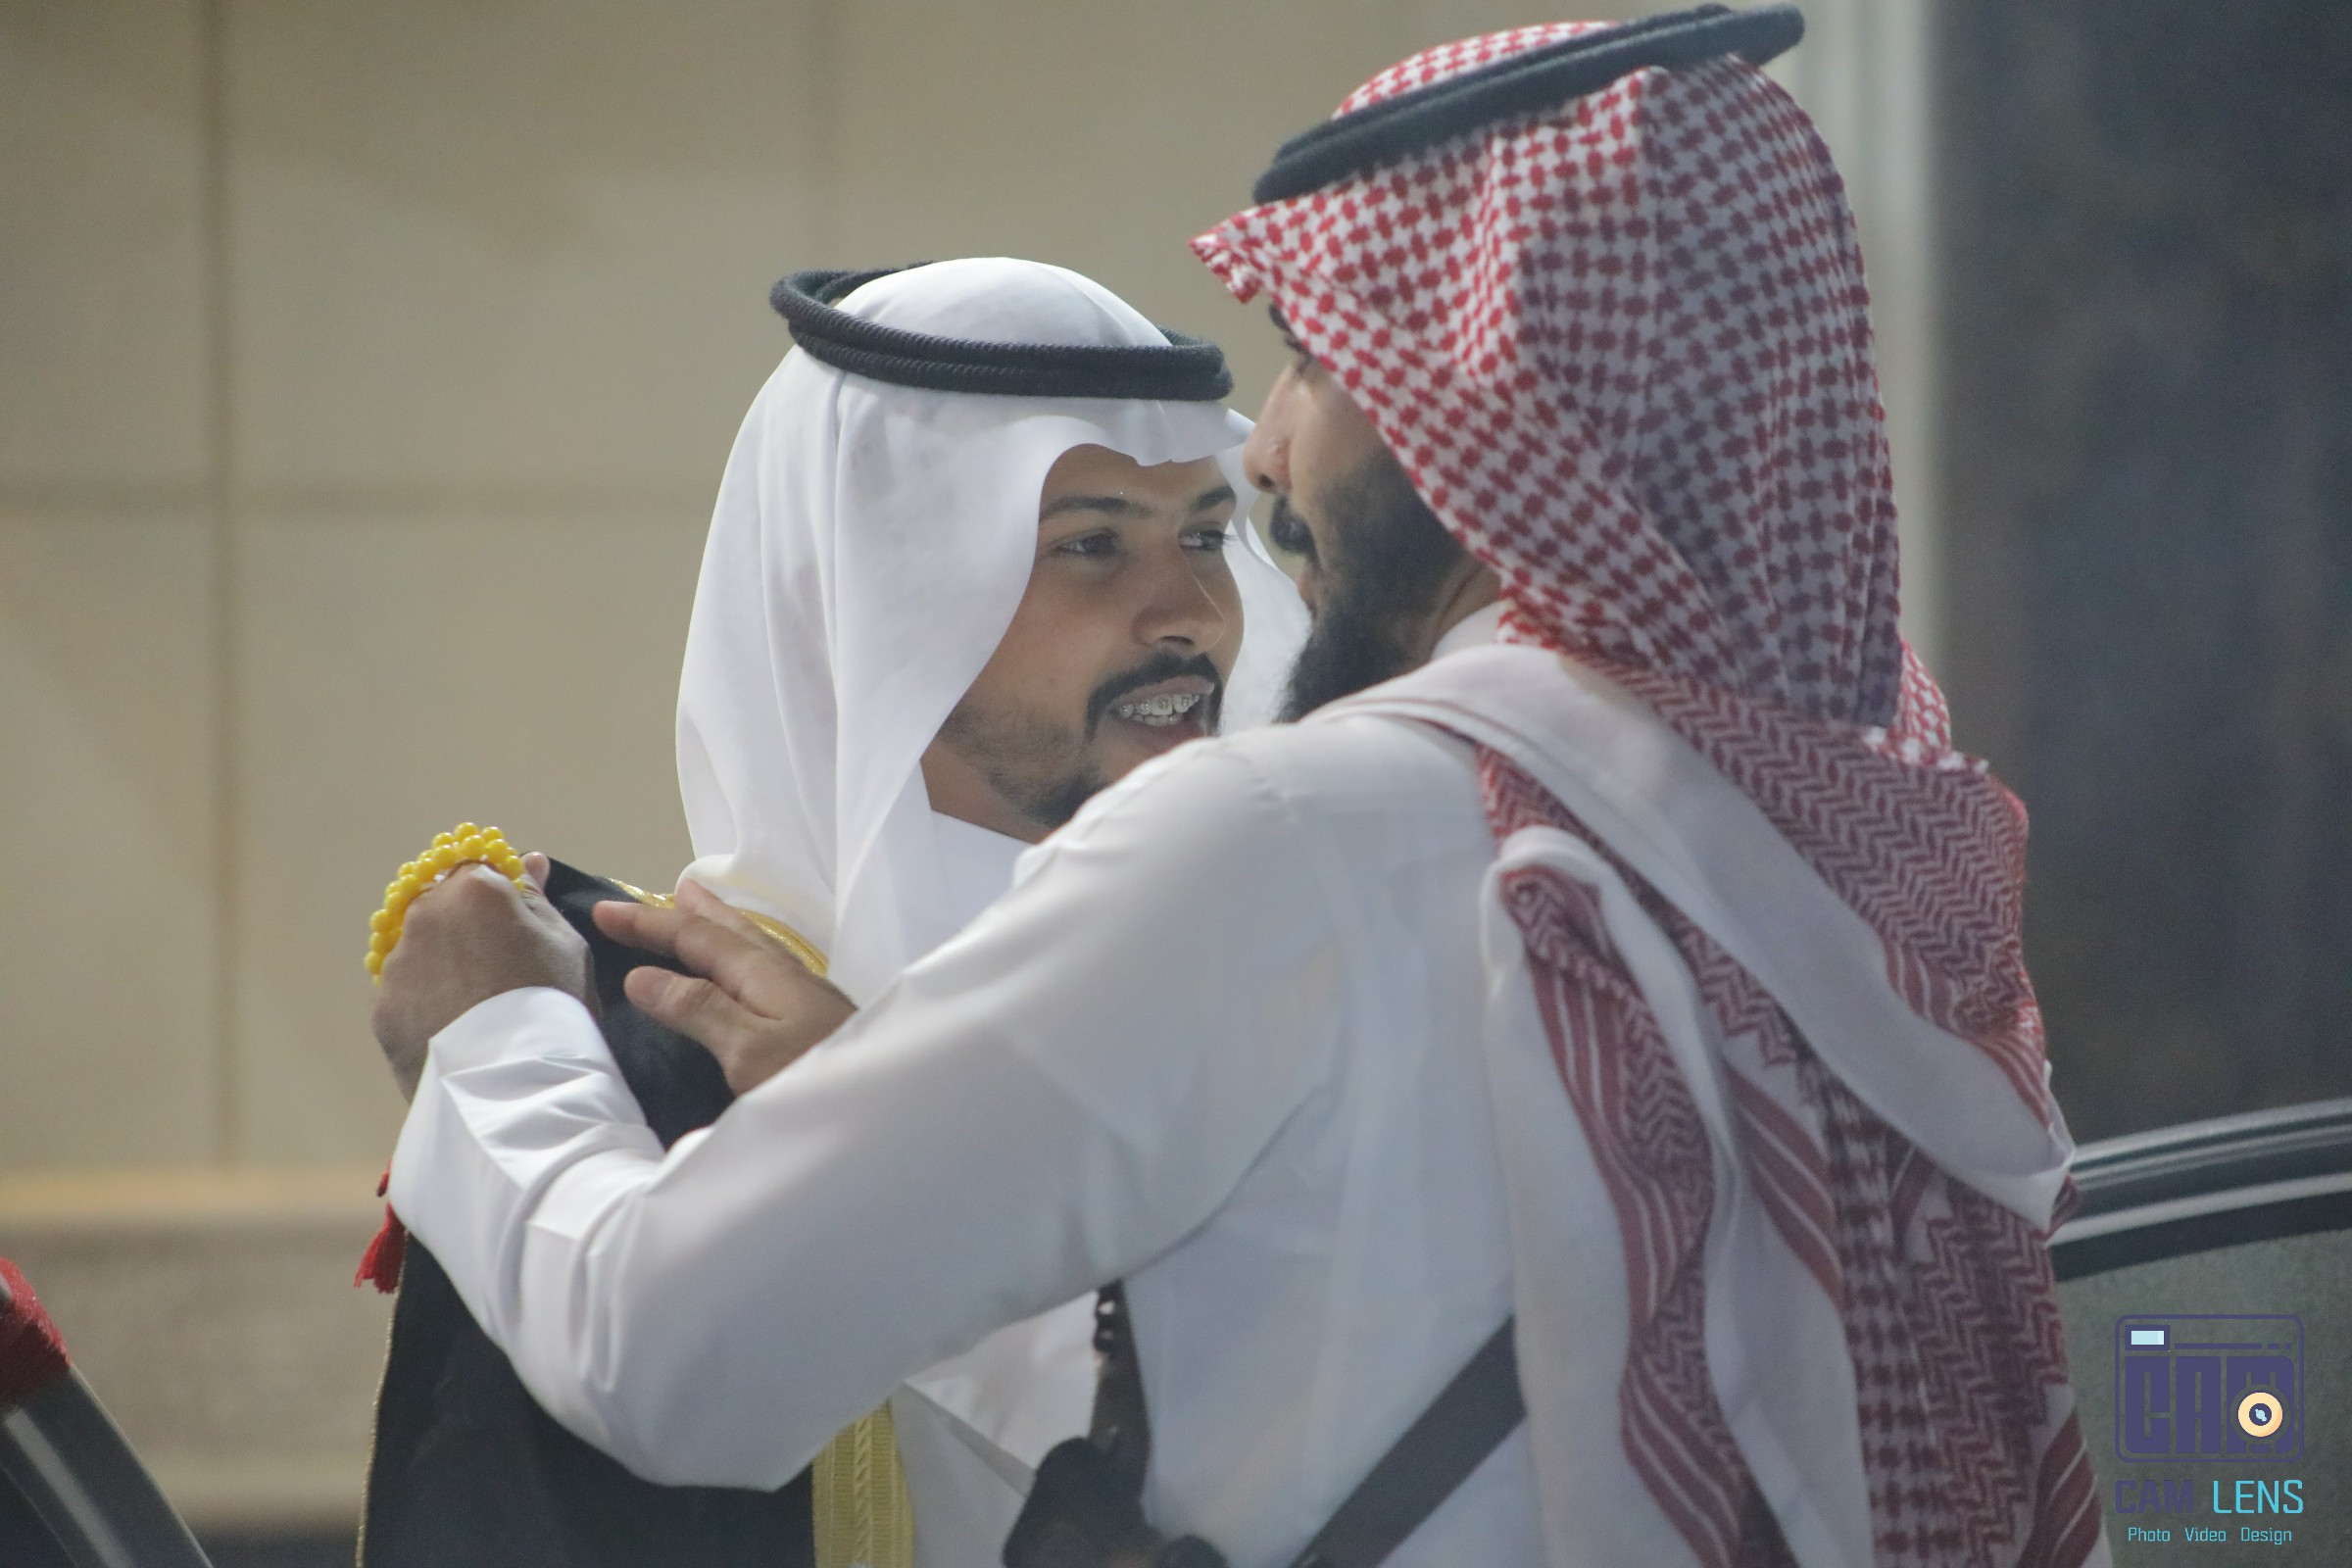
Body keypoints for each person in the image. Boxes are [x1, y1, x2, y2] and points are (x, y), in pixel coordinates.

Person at [375, 11, 2110, 1566]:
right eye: (1089, 539)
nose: (1269, 451)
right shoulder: (1852, 834)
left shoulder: (1293, 842)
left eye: (1316, 363)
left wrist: (497, 1039)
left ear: (1470, 399)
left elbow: (671, 1360)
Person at [359, 256, 1305, 1568]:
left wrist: (870, 1121)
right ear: (881, 590)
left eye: (1204, 535)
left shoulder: (1272, 976)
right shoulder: (652, 1062)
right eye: (1091, 545)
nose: (1193, 613)